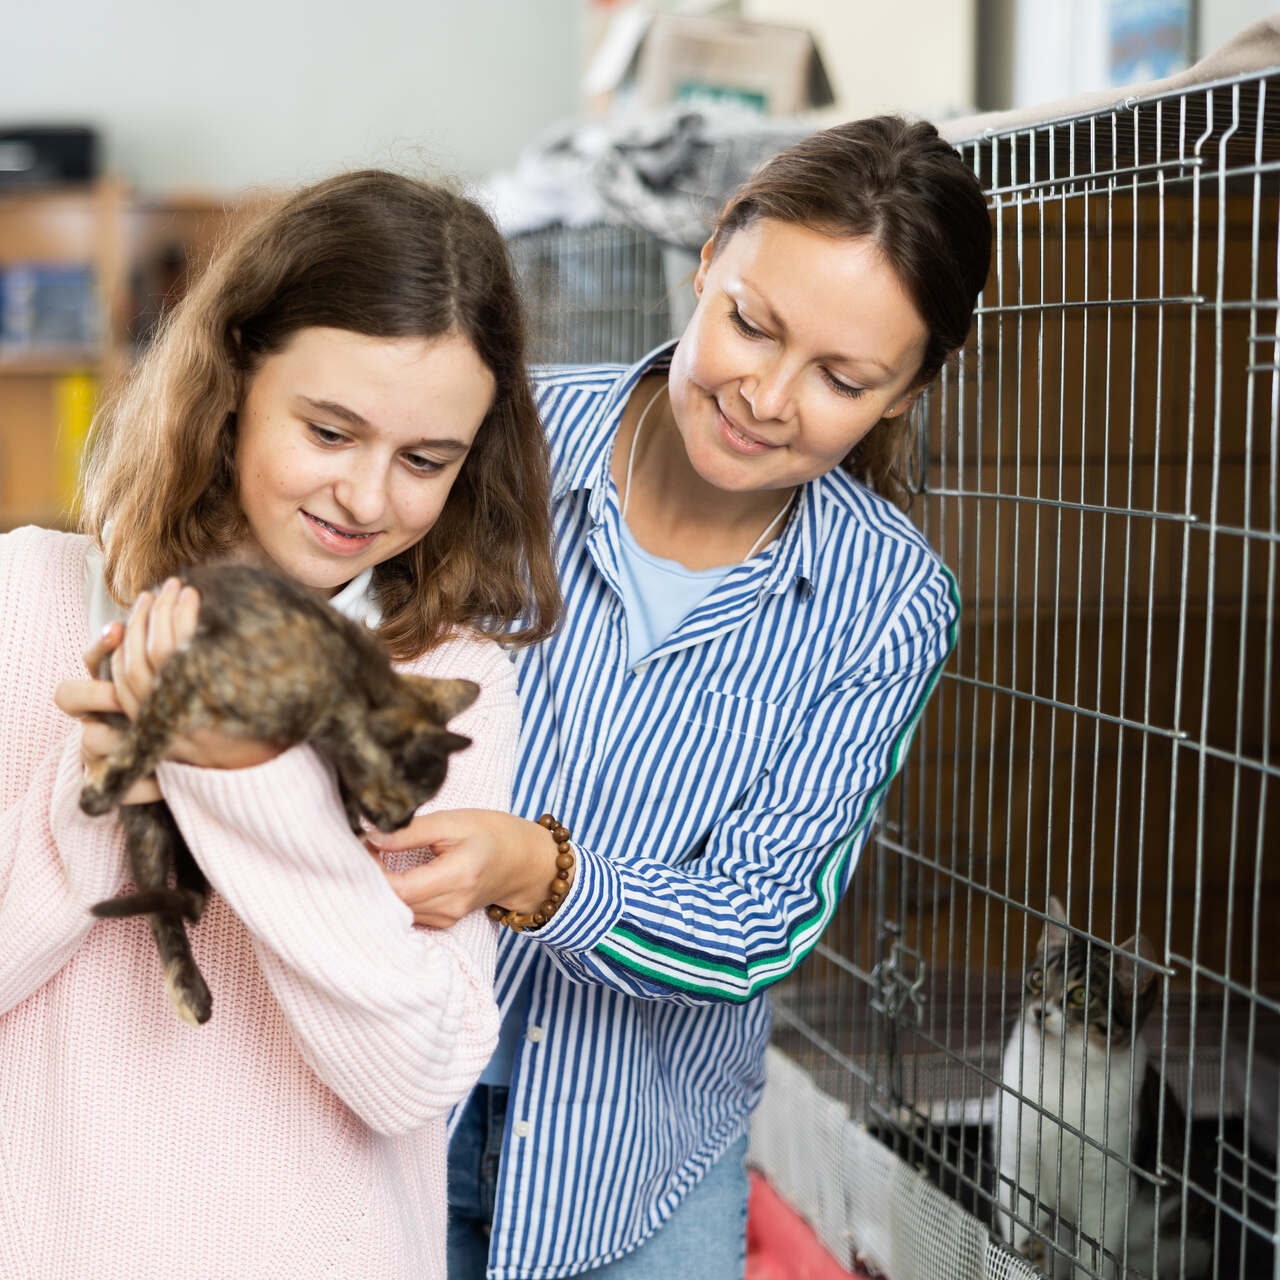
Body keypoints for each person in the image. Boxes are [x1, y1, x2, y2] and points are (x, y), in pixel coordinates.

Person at [0, 169, 562, 1278]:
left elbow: (413, 1069)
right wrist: (100, 791)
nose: (365, 496)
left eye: (424, 461)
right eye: (329, 429)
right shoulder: (3, 599)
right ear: (233, 377)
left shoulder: (442, 678)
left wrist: (243, 776)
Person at [362, 116, 993, 1278]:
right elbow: (293, 593)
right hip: (373, 1095)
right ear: (707, 259)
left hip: (635, 1161)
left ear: (905, 394)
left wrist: (540, 875)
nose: (766, 394)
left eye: (844, 379)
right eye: (752, 323)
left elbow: (759, 919)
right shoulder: (506, 438)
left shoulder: (888, 600)